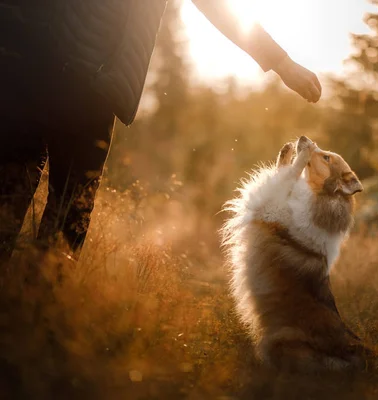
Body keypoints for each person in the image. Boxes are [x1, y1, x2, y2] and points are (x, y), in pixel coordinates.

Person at [0, 0, 322, 263]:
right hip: (52, 71)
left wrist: (281, 62)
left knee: (56, 220)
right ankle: (34, 318)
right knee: (39, 214)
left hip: (72, 78)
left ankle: (33, 324)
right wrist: (283, 64)